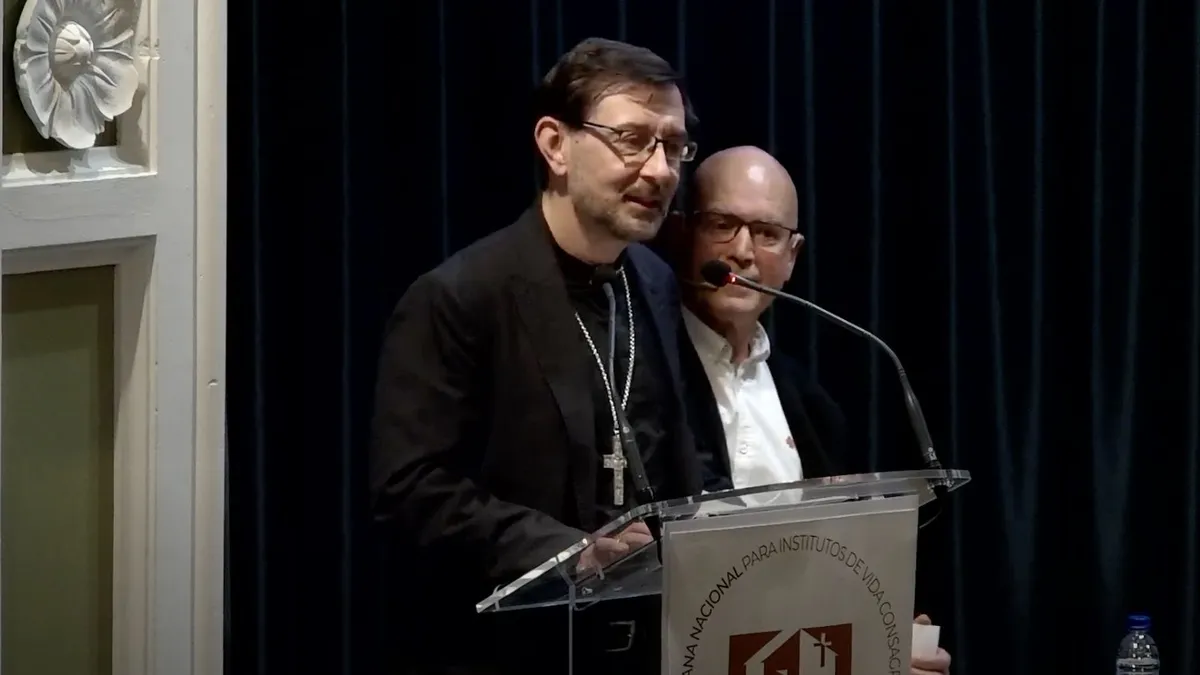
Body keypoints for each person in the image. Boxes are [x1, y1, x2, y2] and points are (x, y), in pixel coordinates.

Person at [368, 38, 701, 675]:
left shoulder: (654, 282)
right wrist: (569, 552)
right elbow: (411, 490)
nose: (661, 171)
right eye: (633, 140)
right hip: (508, 649)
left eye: (674, 146)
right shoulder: (461, 296)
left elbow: (672, 455)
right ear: (555, 145)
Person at [660, 145, 953, 675]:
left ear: (792, 256)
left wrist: (883, 638)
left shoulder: (812, 405)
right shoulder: (647, 375)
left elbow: (831, 568)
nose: (742, 251)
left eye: (767, 234)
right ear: (683, 233)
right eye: (722, 225)